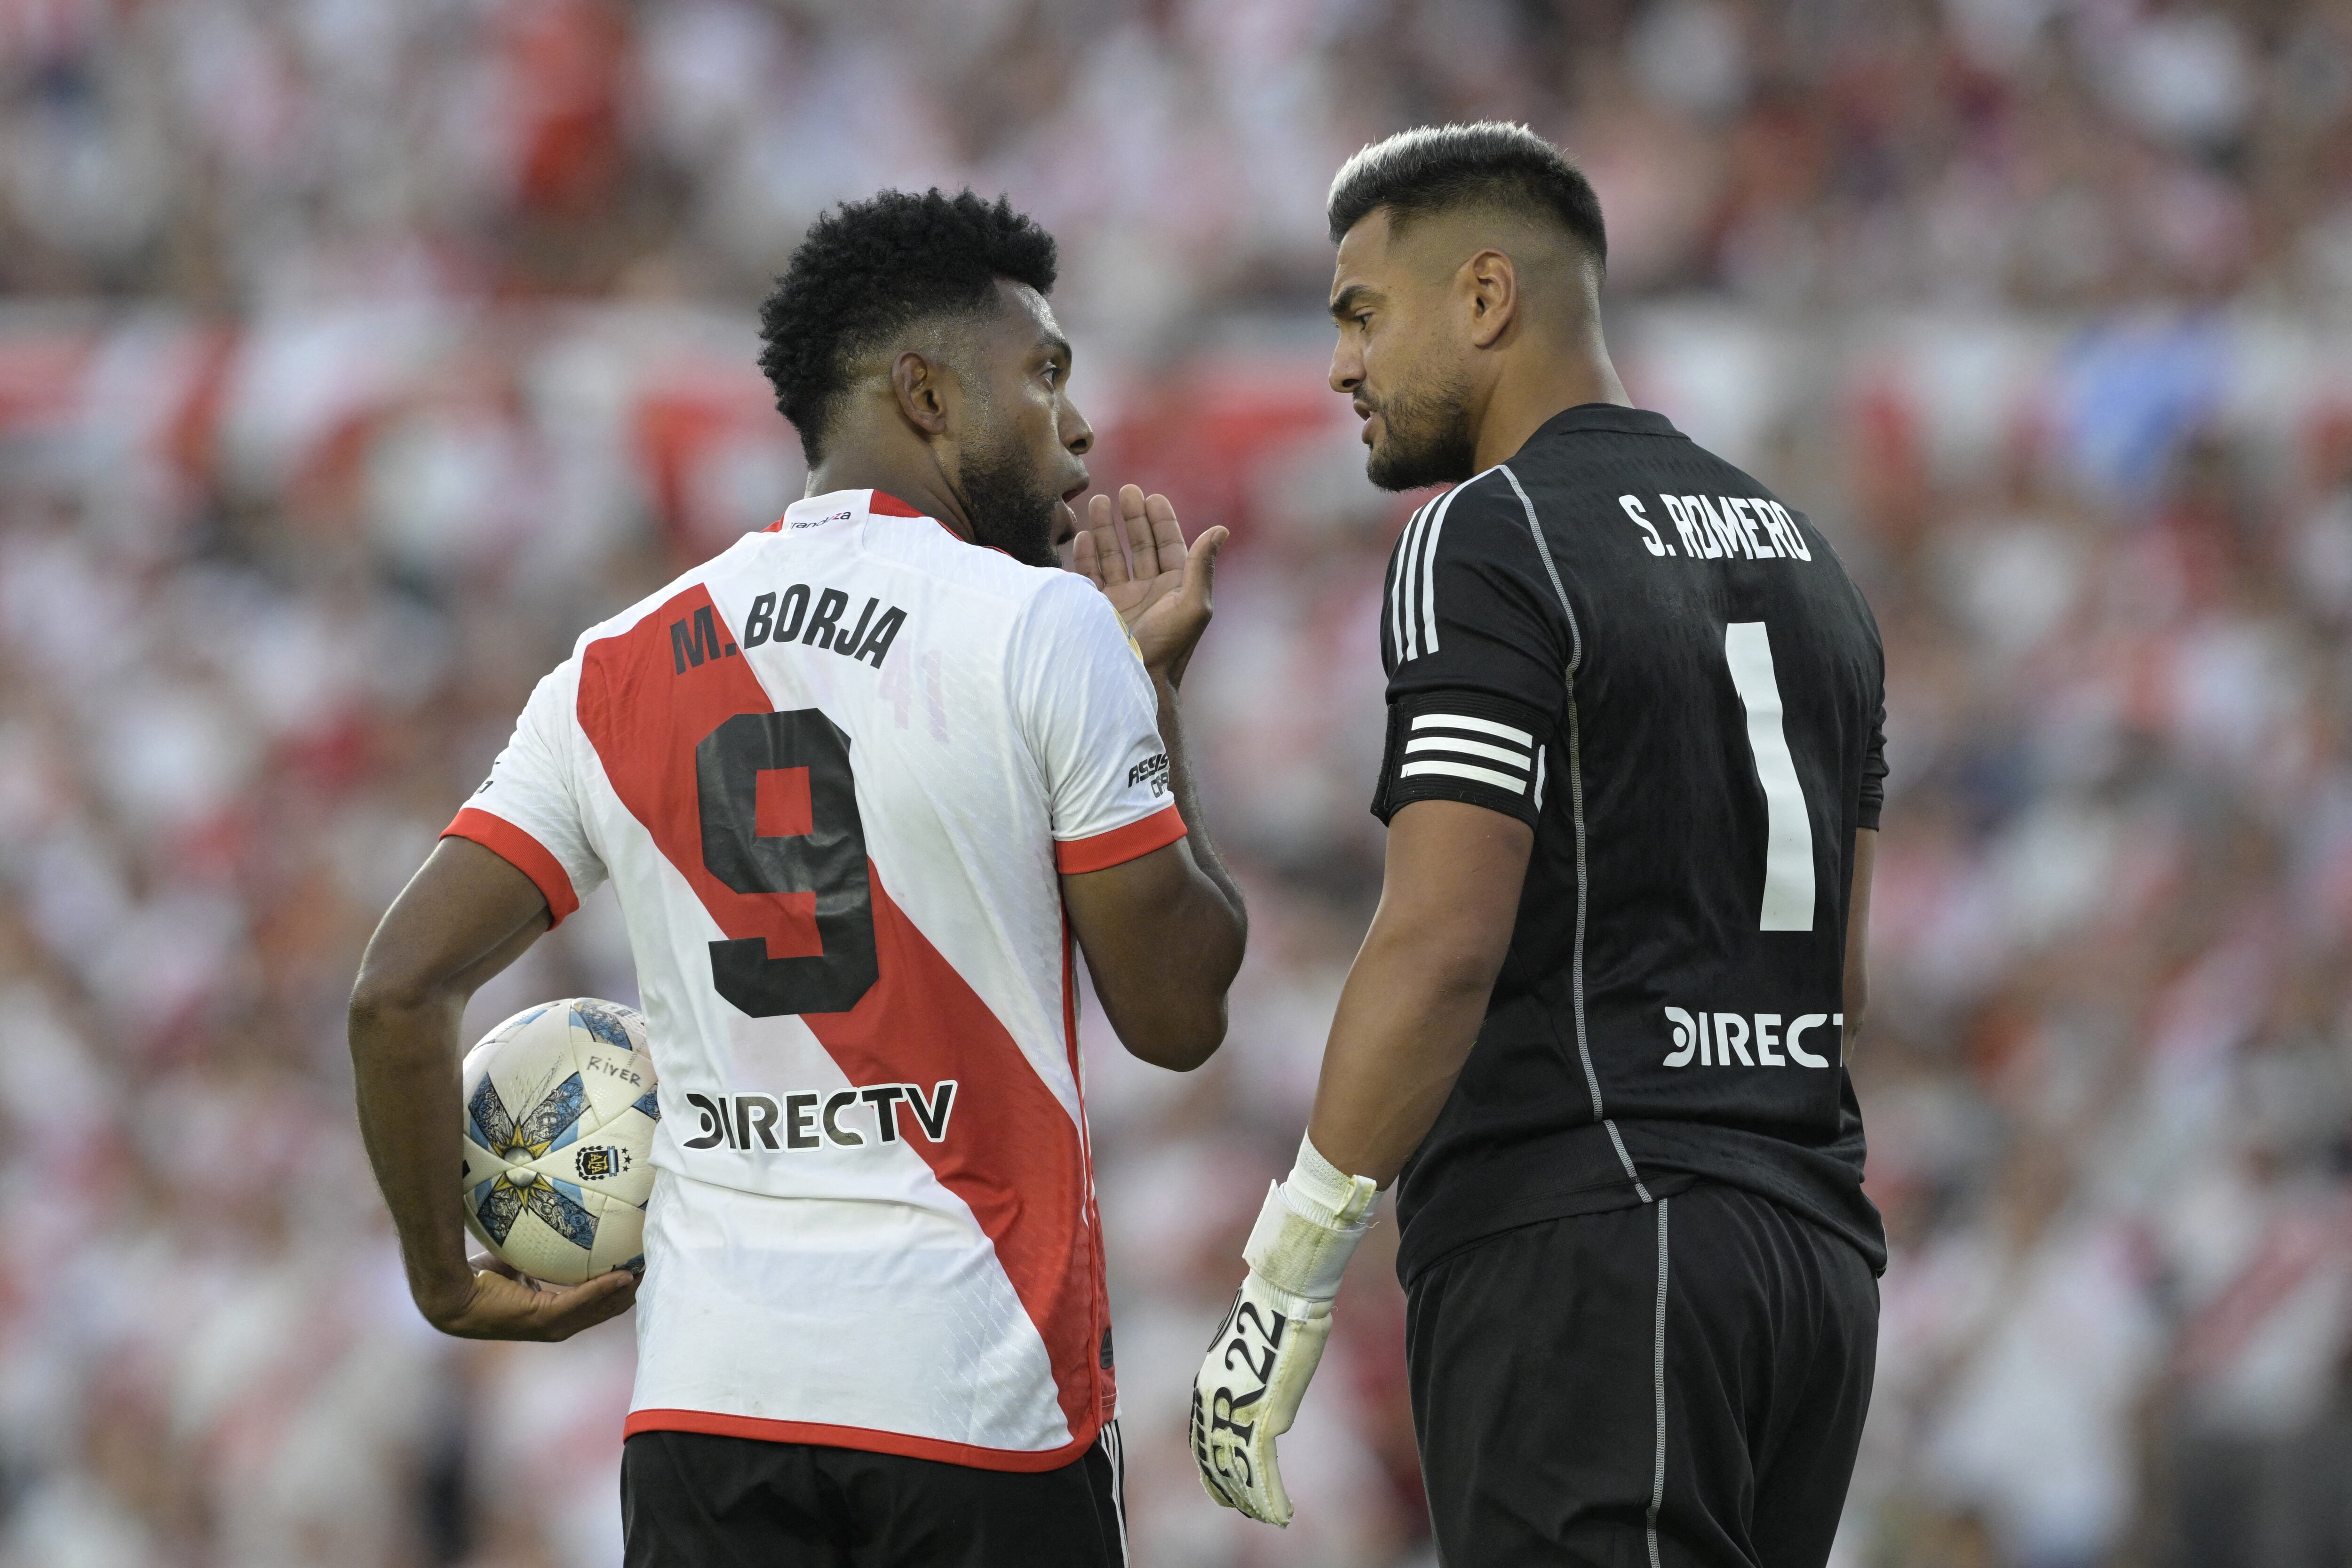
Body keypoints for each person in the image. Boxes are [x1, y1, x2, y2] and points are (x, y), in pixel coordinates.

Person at [350, 187, 1248, 1568]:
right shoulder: (1042, 627)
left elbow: (400, 992)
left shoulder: (616, 659)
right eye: (1048, 373)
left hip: (711, 1408)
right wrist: (1151, 706)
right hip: (977, 1390)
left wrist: (445, 1283)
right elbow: (1179, 1017)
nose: (1080, 428)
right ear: (929, 394)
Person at [1190, 124, 1886, 1567]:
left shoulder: (1486, 535)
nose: (1341, 370)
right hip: (1810, 1260)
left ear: (1488, 298)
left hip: (1589, 1245)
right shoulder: (1811, 563)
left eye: (1364, 315)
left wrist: (1288, 1278)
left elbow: (1445, 937)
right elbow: (1840, 978)